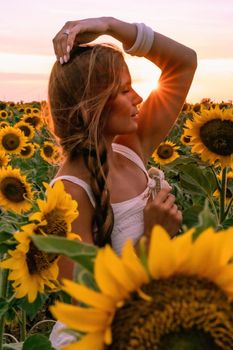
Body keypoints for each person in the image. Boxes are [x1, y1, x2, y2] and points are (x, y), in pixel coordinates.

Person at [48, 17, 197, 348]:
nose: (140, 98)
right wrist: (152, 240)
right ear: (92, 103)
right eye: (125, 89)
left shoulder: (130, 147)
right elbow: (84, 306)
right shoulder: (69, 190)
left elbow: (184, 63)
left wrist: (109, 26)